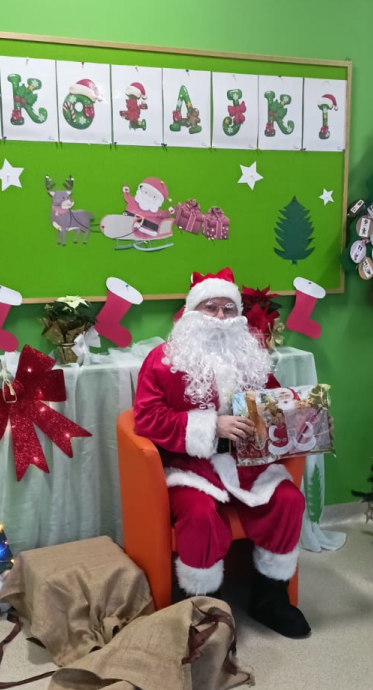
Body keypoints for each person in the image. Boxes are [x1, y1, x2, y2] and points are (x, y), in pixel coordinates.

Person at [132, 268, 311, 639]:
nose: (220, 317)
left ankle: (270, 599)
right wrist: (211, 426)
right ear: (191, 312)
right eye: (210, 307)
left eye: (229, 309)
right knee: (199, 515)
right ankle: (203, 607)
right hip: (190, 465)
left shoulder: (252, 357)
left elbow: (273, 405)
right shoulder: (162, 360)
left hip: (246, 464)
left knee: (288, 501)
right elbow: (147, 418)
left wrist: (303, 419)